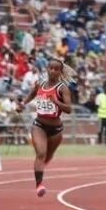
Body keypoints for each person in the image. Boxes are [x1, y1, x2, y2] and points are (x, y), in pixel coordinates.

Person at [17, 59, 74, 197]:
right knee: (41, 154)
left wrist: (56, 101)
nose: (53, 71)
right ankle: (39, 185)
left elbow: (69, 109)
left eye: (56, 69)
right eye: (51, 68)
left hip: (56, 129)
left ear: (60, 72)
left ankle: (41, 166)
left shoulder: (62, 88)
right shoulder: (40, 84)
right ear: (47, 69)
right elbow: (32, 94)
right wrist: (22, 104)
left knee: (48, 156)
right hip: (39, 125)